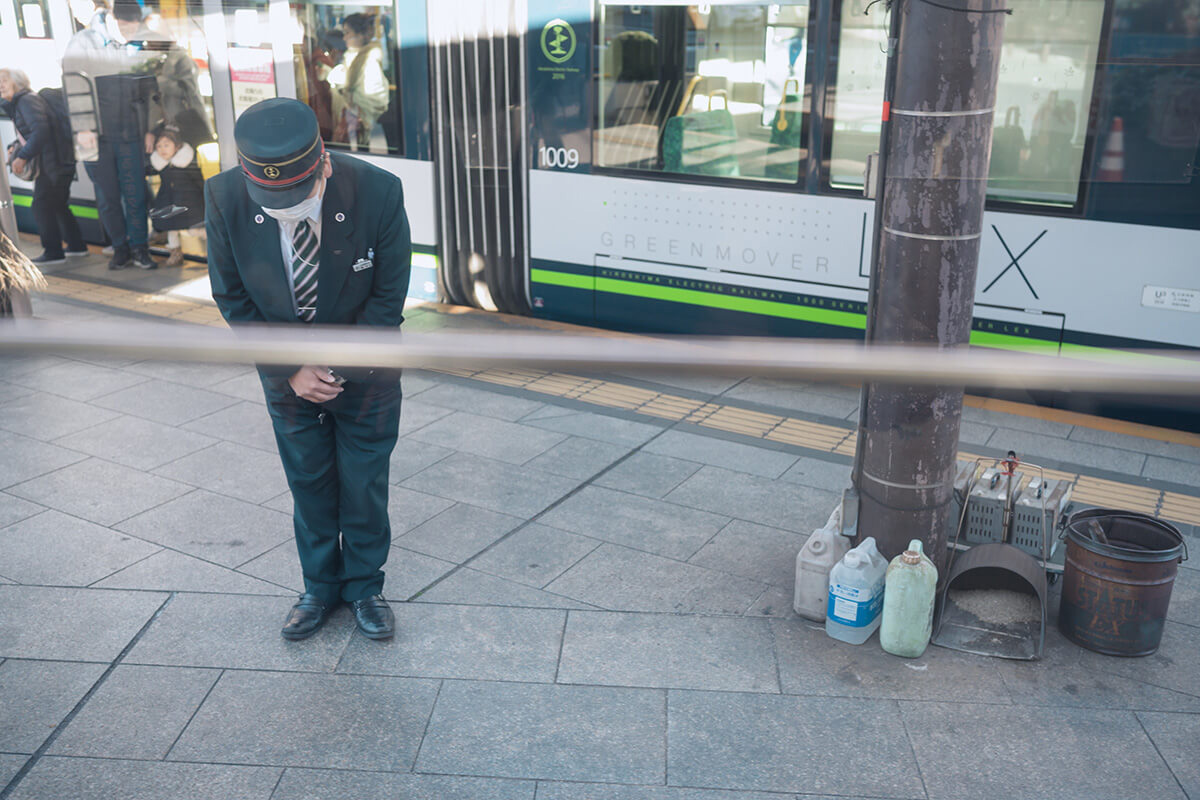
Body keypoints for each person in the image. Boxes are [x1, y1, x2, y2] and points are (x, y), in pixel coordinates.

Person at [206, 98, 412, 641]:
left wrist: (335, 368)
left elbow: (388, 300)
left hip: (367, 375)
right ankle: (318, 588)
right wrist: (293, 368)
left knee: (364, 484)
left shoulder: (378, 191)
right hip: (286, 376)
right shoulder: (224, 196)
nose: (284, 207)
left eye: (294, 196)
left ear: (322, 163)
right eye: (270, 199)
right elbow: (231, 296)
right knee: (310, 483)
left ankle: (365, 586)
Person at [62, 0, 161, 270]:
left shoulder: (138, 42)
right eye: (127, 31)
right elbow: (74, 87)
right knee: (107, 196)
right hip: (93, 136)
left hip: (130, 133)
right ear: (115, 22)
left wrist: (150, 129)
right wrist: (82, 128)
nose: (132, 37)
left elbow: (151, 89)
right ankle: (120, 249)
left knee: (135, 193)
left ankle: (140, 248)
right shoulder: (83, 42)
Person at [0, 69, 87, 265]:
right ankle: (76, 245)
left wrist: (21, 157)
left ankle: (53, 251)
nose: (0, 85)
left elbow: (41, 132)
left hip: (52, 163)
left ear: (17, 82)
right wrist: (15, 146)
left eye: (4, 81)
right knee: (57, 203)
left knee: (40, 205)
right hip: (58, 160)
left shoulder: (26, 101)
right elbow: (32, 131)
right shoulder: (23, 101)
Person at [148, 122, 204, 266]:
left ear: (177, 146)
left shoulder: (186, 163)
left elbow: (199, 181)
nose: (162, 150)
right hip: (168, 200)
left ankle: (216, 250)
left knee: (195, 229)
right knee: (171, 228)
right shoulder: (161, 164)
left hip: (189, 202)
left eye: (166, 145)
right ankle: (175, 253)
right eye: (159, 146)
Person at [329, 13, 388, 150]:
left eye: (347, 33)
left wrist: (345, 92)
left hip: (364, 127)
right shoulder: (354, 58)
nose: (344, 38)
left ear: (361, 35)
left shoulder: (369, 61)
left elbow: (375, 98)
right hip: (354, 123)